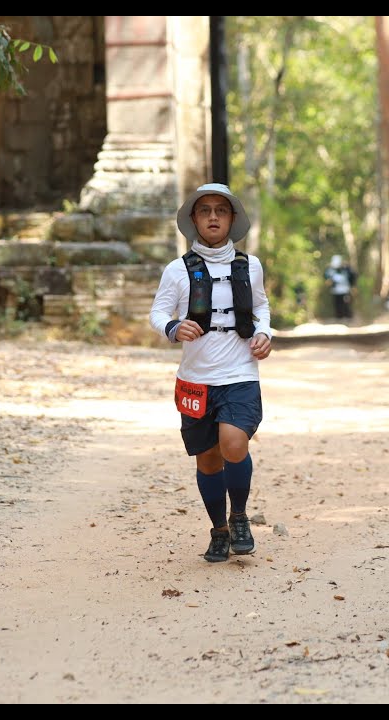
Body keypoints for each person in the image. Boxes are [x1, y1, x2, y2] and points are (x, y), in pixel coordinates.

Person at [149, 182, 274, 563]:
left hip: (239, 371)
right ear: (194, 220)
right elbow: (158, 313)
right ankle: (218, 529)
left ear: (232, 219)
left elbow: (261, 306)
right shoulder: (178, 270)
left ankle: (239, 516)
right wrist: (172, 328)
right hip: (196, 379)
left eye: (221, 210)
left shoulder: (249, 266)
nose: (214, 216)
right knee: (207, 460)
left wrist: (265, 333)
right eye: (205, 211)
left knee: (234, 443)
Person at [323, 254, 357, 320]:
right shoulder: (330, 269)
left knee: (346, 304)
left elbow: (353, 276)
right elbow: (326, 277)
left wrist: (353, 286)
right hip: (335, 290)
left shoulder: (347, 268)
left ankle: (348, 317)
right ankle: (339, 317)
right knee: (337, 304)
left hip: (345, 290)